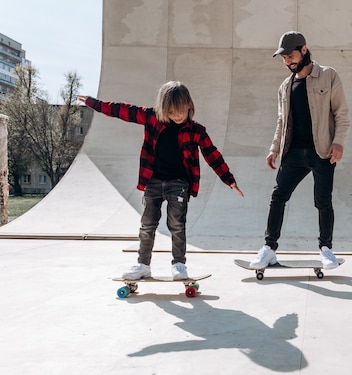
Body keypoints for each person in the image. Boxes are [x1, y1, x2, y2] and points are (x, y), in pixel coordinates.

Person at [78, 81, 243, 280]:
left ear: (189, 106)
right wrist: (94, 103)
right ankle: (143, 265)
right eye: (171, 112)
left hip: (179, 184)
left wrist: (229, 179)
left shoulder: (196, 130)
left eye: (180, 111)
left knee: (176, 224)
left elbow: (212, 154)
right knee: (147, 224)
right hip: (152, 182)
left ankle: (179, 265)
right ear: (164, 109)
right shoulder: (152, 118)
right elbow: (122, 110)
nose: (176, 116)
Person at [249, 31, 350, 270]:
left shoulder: (328, 75)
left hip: (322, 151)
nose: (288, 62)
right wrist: (274, 148)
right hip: (293, 152)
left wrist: (339, 142)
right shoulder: (285, 86)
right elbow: (281, 121)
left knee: (323, 201)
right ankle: (269, 249)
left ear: (304, 50)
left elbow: (341, 114)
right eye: (284, 59)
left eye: (291, 56)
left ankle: (326, 250)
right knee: (278, 197)